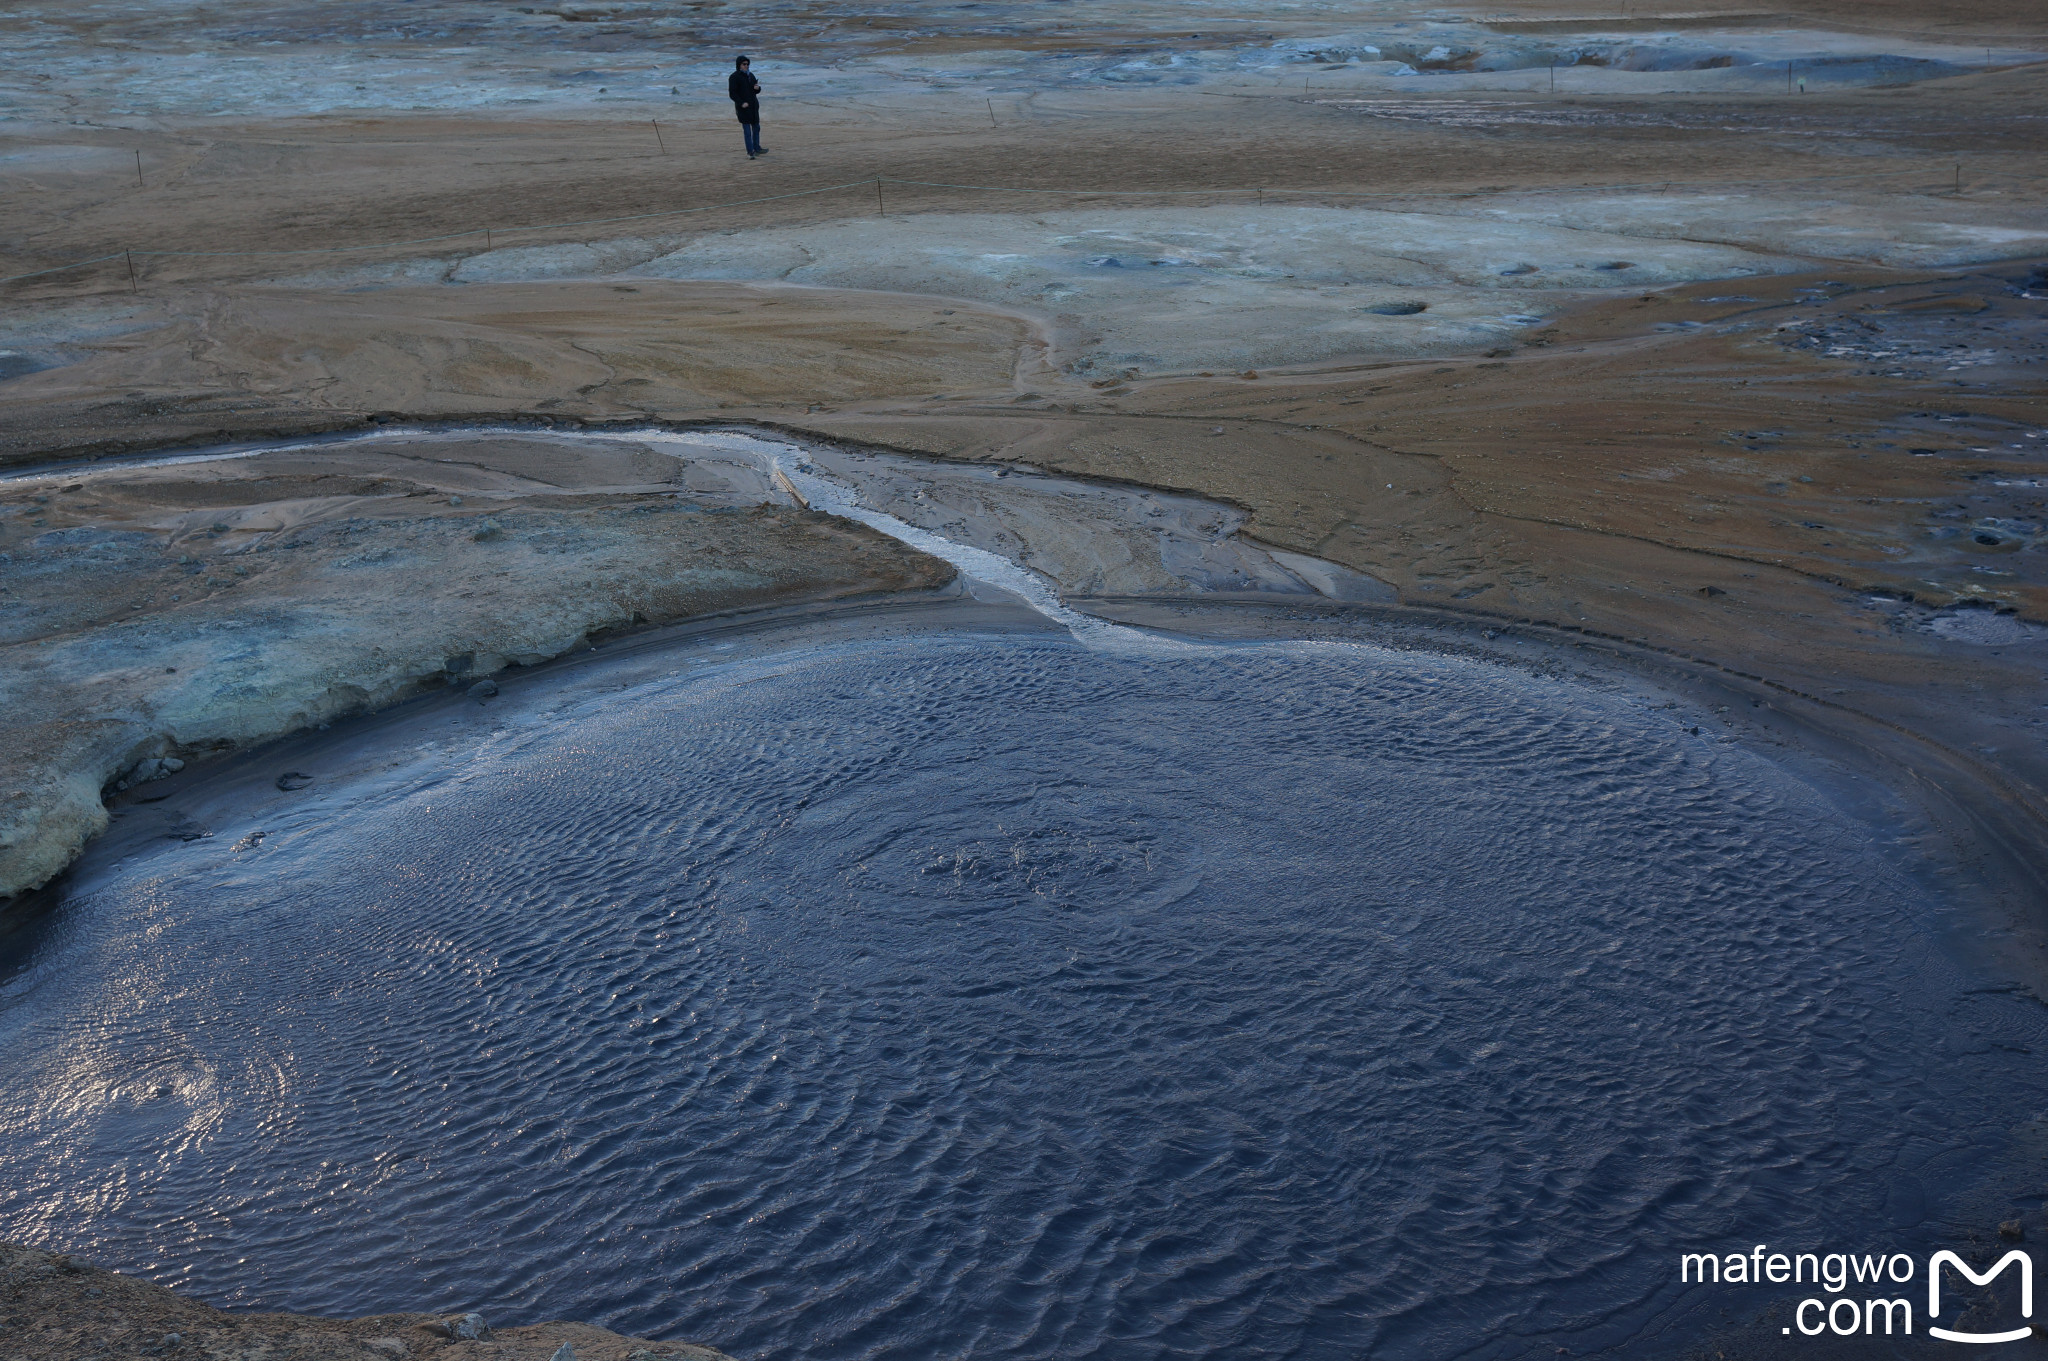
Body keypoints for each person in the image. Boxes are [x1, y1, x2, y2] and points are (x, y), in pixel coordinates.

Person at [728, 55, 766, 158]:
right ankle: (750, 152)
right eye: (744, 64)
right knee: (747, 131)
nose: (746, 66)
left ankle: (757, 148)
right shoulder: (734, 77)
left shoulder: (751, 75)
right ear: (739, 65)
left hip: (753, 106)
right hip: (743, 108)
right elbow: (732, 94)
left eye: (747, 64)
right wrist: (741, 103)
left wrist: (757, 88)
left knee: (756, 127)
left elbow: (755, 90)